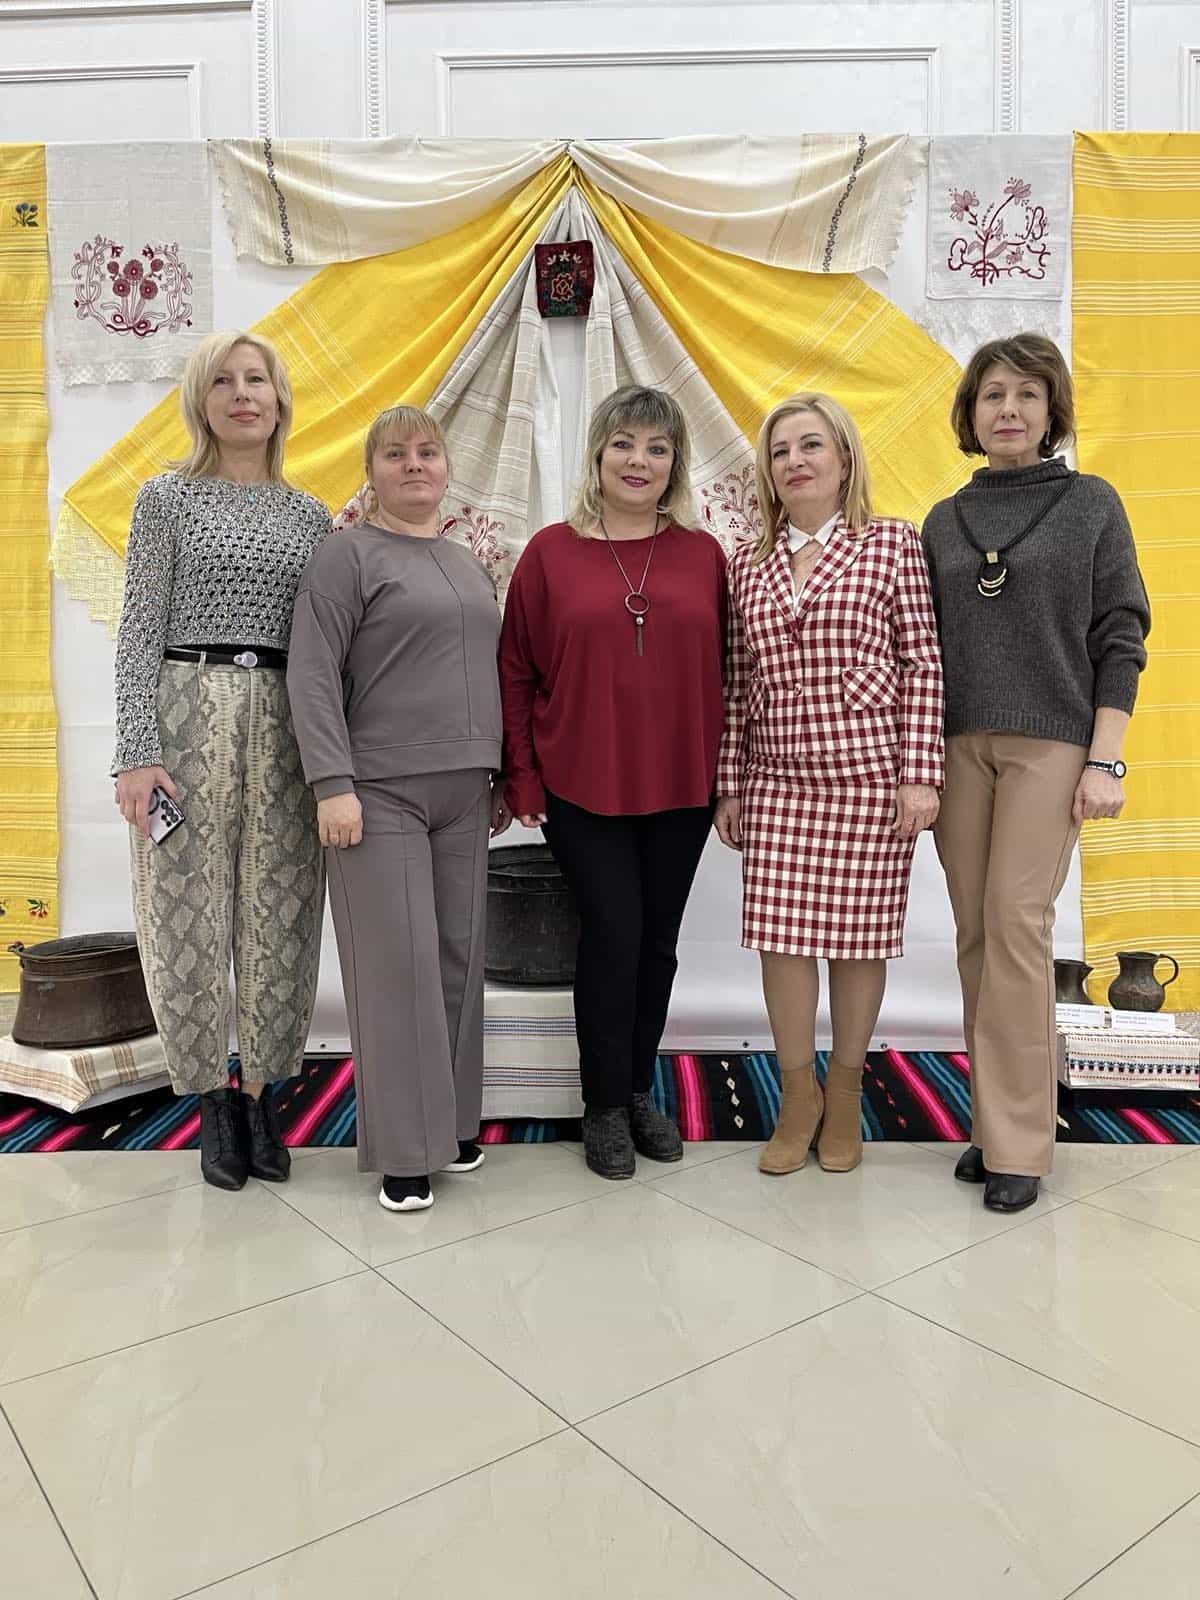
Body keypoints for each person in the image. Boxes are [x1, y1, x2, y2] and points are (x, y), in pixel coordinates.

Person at [923, 334, 1150, 1212]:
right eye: (992, 396)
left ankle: (1020, 1144)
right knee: (976, 935)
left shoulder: (1091, 503)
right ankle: (994, 1122)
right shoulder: (943, 521)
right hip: (957, 746)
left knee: (1017, 925)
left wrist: (1104, 758)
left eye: (1026, 394)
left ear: (1052, 409)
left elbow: (1121, 633)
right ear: (971, 415)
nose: (1009, 410)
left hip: (1052, 743)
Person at [113, 330, 331, 1190]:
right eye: (224, 382)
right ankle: (211, 1099)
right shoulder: (164, 499)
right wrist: (135, 753)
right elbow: (139, 629)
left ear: (279, 400)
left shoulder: (310, 516)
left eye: (257, 380)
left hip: (285, 723)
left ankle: (266, 1096)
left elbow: (326, 643)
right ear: (200, 401)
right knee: (184, 912)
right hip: (183, 716)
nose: (243, 394)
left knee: (283, 908)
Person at [499, 386, 726, 1180]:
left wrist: (730, 780)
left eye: (657, 448)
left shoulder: (704, 555)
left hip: (682, 784)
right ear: (597, 455)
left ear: (675, 465)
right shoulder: (549, 553)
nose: (639, 460)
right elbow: (515, 671)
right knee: (612, 936)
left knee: (657, 945)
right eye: (624, 443)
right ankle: (601, 1105)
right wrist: (523, 778)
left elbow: (732, 673)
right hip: (580, 782)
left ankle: (635, 1091)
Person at [287, 406, 511, 1213]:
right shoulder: (344, 556)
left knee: (457, 960)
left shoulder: (467, 561)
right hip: (376, 792)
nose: (414, 465)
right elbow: (312, 674)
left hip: (466, 790)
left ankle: (451, 1125)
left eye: (427, 452)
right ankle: (405, 1153)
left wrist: (498, 773)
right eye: (395, 454)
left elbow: (490, 670)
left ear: (446, 468)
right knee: (398, 968)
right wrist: (331, 783)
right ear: (371, 472)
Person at [714, 394, 943, 1178]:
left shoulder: (891, 544)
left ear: (844, 459)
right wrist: (730, 785)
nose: (796, 462)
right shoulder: (746, 562)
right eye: (781, 451)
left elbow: (922, 663)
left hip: (868, 782)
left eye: (811, 445)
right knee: (781, 943)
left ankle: (844, 1092)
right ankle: (798, 1097)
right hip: (777, 782)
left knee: (857, 943)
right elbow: (736, 682)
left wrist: (920, 776)